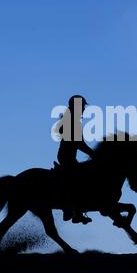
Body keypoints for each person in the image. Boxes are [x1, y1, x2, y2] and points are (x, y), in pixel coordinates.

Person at [55, 95, 94, 224]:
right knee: (78, 180)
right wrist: (93, 153)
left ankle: (76, 211)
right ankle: (71, 210)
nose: (83, 109)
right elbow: (78, 143)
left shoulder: (71, 120)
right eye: (82, 106)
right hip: (67, 157)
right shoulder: (72, 121)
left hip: (68, 156)